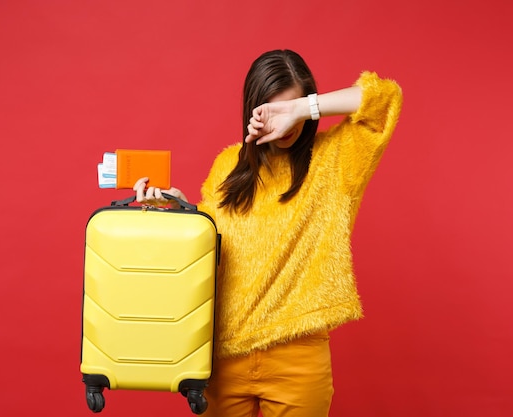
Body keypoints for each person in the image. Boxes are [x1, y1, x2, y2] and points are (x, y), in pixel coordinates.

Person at [133, 49, 403, 417]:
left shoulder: (337, 159)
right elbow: (215, 249)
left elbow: (385, 99)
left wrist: (303, 108)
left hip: (297, 356)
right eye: (271, 110)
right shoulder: (228, 165)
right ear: (252, 109)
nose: (284, 124)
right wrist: (183, 212)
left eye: (288, 109)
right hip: (223, 355)